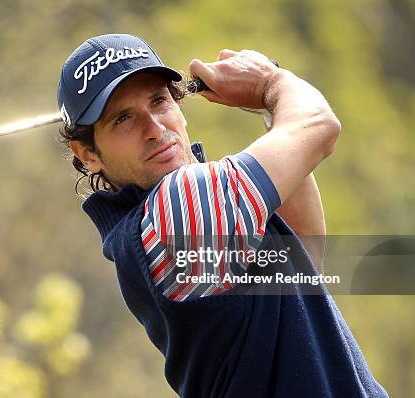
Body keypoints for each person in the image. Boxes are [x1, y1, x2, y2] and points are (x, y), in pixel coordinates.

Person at [57, 33, 387, 398]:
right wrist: (270, 82)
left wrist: (270, 105)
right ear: (87, 153)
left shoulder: (157, 228)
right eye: (123, 118)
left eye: (159, 101)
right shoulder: (177, 207)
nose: (154, 128)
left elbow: (305, 255)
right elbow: (319, 126)